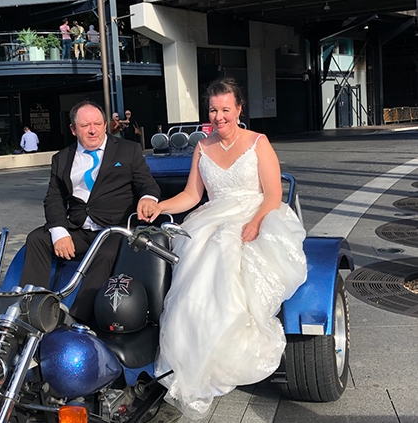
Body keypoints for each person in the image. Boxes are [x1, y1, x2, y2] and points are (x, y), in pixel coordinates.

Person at [151, 77, 308, 420]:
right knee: (194, 262)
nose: (219, 116)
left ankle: (227, 351)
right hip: (214, 215)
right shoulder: (202, 147)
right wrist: (160, 207)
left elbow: (272, 194)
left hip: (257, 213)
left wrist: (254, 223)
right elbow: (193, 196)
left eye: (225, 109)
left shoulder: (258, 142)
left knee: (224, 249)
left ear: (239, 109)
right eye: (213, 110)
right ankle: (194, 356)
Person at [18, 101, 160, 324]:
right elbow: (53, 198)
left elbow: (147, 184)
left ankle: (76, 318)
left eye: (97, 124)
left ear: (105, 125)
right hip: (79, 228)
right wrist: (59, 232)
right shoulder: (61, 158)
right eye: (85, 125)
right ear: (74, 129)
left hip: (114, 229)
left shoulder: (128, 150)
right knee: (37, 238)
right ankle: (30, 308)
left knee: (103, 254)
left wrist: (148, 199)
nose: (92, 130)